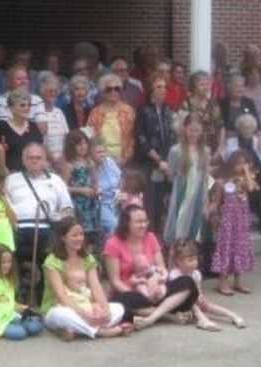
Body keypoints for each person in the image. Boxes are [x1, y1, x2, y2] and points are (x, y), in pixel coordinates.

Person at [105, 205, 198, 329]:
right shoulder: (113, 243)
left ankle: (152, 316)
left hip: (157, 290)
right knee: (123, 304)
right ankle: (169, 315)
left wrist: (160, 284)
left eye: (145, 221)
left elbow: (162, 268)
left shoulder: (151, 238)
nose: (143, 225)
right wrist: (142, 294)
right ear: (126, 223)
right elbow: (115, 281)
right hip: (132, 293)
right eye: (138, 222)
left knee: (187, 282)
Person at [41, 217, 127, 340]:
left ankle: (77, 330)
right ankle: (98, 331)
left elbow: (96, 287)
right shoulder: (52, 261)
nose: (79, 238)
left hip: (86, 305)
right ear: (63, 238)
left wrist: (105, 310)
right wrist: (85, 316)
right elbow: (62, 296)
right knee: (63, 315)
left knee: (119, 308)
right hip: (58, 307)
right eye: (74, 235)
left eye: (81, 234)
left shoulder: (88, 258)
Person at [5, 143, 73, 296]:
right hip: (18, 228)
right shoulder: (11, 179)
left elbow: (68, 209)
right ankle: (17, 296)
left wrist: (58, 217)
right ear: (23, 160)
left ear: (45, 160)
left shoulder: (56, 180)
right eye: (30, 158)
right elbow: (4, 205)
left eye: (38, 158)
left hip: (46, 228)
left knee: (50, 260)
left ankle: (45, 296)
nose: (34, 161)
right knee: (11, 259)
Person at [207, 151, 256, 295]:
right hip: (227, 221)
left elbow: (251, 188)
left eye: (244, 163)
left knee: (240, 247)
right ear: (231, 163)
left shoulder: (246, 179)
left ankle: (238, 282)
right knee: (226, 248)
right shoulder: (223, 181)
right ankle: (222, 282)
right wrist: (211, 212)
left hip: (241, 220)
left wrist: (247, 171)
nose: (241, 166)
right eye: (239, 163)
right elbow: (216, 201)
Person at [170, 239, 246, 331]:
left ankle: (233, 316)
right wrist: (195, 300)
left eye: (195, 259)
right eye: (190, 260)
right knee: (193, 304)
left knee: (208, 306)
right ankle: (202, 319)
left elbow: (198, 289)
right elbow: (178, 297)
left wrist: (200, 297)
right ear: (178, 261)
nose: (194, 263)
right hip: (179, 305)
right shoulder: (174, 275)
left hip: (192, 303)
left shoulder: (196, 274)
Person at [0, 244, 44, 341]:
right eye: (3, 262)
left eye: (9, 262)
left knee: (36, 326)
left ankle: (19, 325)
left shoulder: (8, 279)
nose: (7, 265)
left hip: (11, 315)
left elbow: (8, 301)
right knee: (21, 334)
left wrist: (19, 306)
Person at [135, 75, 175, 231]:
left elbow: (172, 136)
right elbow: (141, 138)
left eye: (165, 87)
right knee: (150, 202)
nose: (163, 90)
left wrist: (169, 161)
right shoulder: (144, 110)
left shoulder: (167, 110)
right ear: (151, 90)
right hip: (150, 163)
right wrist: (159, 161)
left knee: (163, 202)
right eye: (159, 87)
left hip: (167, 163)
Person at [163, 114, 209, 247]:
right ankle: (173, 260)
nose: (194, 134)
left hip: (198, 194)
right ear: (185, 129)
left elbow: (206, 176)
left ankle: (190, 260)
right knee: (178, 229)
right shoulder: (176, 150)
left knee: (194, 229)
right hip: (182, 194)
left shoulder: (205, 151)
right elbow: (171, 175)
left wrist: (206, 200)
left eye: (197, 130)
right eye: (191, 130)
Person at [87, 73, 136, 164]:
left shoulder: (128, 111)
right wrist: (99, 158)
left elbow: (133, 137)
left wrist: (125, 158)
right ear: (102, 92)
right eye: (109, 89)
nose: (113, 92)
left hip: (123, 160)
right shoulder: (95, 112)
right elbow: (90, 138)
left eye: (117, 89)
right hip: (101, 160)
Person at [61, 130, 100, 239]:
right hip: (78, 204)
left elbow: (95, 181)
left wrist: (96, 188)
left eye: (85, 143)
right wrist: (81, 190)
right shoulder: (69, 165)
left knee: (93, 232)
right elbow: (63, 188)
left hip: (91, 202)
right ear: (71, 146)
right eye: (79, 144)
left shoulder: (89, 162)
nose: (83, 147)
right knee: (81, 230)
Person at [0, 89, 44, 173]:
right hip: (9, 174)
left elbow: (41, 152)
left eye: (29, 105)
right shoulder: (2, 127)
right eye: (22, 105)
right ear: (11, 108)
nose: (27, 108)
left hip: (32, 174)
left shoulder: (34, 127)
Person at [0, 64, 47, 133]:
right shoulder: (0, 102)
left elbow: (43, 128)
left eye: (26, 78)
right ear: (9, 83)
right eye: (19, 79)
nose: (23, 81)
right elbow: (4, 130)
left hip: (35, 142)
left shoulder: (37, 100)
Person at [181, 70, 223, 155]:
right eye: (201, 84)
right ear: (194, 87)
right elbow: (182, 128)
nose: (206, 87)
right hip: (192, 149)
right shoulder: (186, 104)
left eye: (207, 84)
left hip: (212, 148)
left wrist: (220, 148)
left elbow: (220, 127)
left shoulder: (213, 104)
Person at [89, 137, 121, 239]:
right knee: (114, 225)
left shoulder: (109, 161)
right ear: (91, 154)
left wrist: (121, 193)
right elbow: (96, 190)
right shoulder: (90, 167)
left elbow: (120, 179)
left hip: (117, 199)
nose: (102, 154)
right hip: (100, 202)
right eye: (98, 152)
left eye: (103, 151)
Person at [39, 72, 69, 167]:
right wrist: (52, 158)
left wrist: (63, 156)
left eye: (55, 91)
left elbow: (66, 137)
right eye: (49, 91)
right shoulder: (38, 113)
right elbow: (40, 141)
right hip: (45, 158)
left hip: (62, 157)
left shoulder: (59, 112)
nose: (53, 94)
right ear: (42, 92)